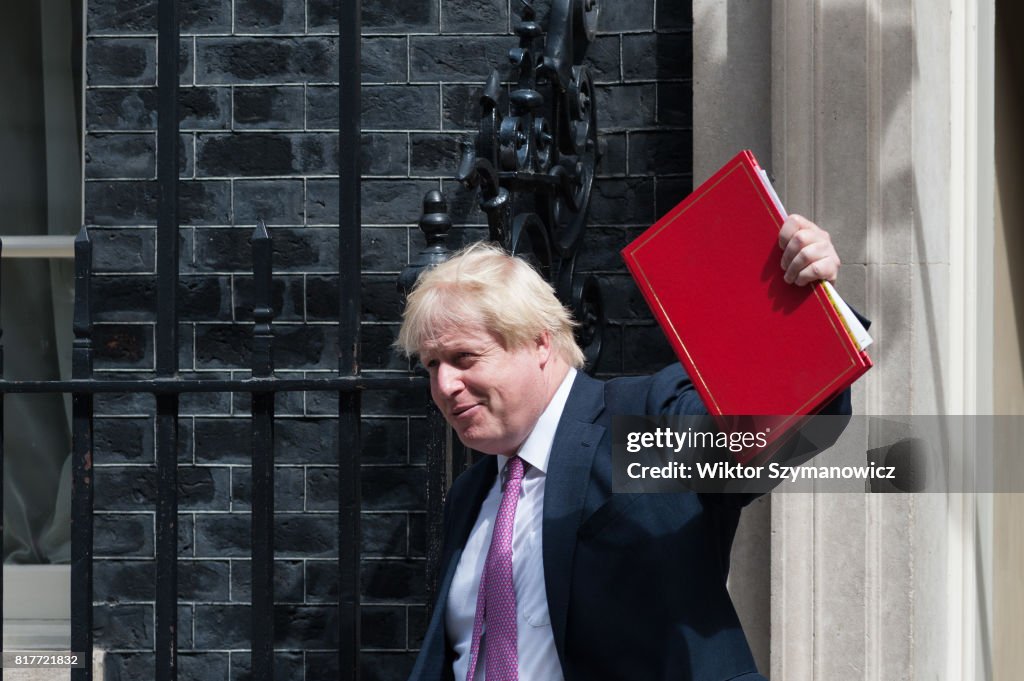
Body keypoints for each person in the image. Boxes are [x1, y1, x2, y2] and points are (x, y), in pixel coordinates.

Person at [396, 216, 849, 681]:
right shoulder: (471, 493)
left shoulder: (639, 425)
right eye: (431, 365)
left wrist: (810, 301)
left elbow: (783, 427)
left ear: (539, 343)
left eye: (463, 358)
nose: (444, 384)